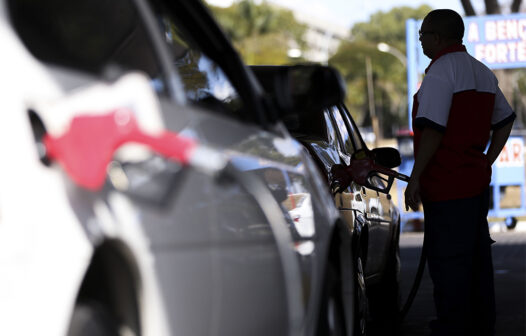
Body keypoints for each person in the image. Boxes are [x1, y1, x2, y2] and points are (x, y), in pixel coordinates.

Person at [404, 9, 515, 336]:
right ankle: (481, 326)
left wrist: (415, 177)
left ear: (437, 37)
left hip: (447, 188)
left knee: (450, 268)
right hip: (474, 186)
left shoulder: (440, 73)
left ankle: (453, 328)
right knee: (477, 266)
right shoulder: (482, 72)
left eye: (423, 34)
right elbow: (505, 120)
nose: (421, 40)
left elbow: (434, 131)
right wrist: (486, 161)